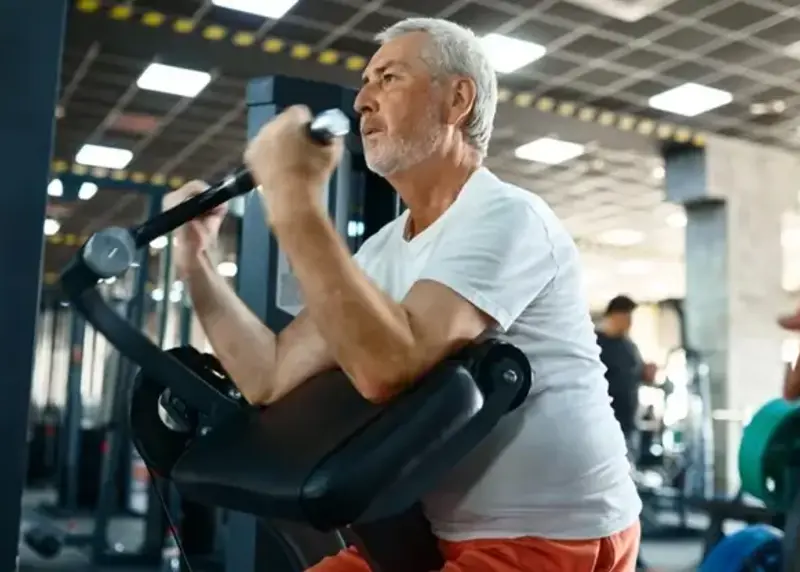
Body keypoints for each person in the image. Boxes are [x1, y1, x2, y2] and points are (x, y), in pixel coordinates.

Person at [165, 17, 641, 571]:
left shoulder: (507, 216)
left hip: (556, 540)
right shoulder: (384, 250)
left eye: (388, 78)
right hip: (431, 537)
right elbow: (269, 374)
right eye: (365, 82)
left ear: (458, 99)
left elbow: (388, 366)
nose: (364, 100)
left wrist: (294, 199)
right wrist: (194, 259)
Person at [595, 295, 657, 455]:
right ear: (613, 316)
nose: (629, 322)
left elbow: (637, 375)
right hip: (604, 424)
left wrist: (646, 373)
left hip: (628, 423)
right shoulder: (595, 344)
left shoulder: (629, 346)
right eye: (626, 316)